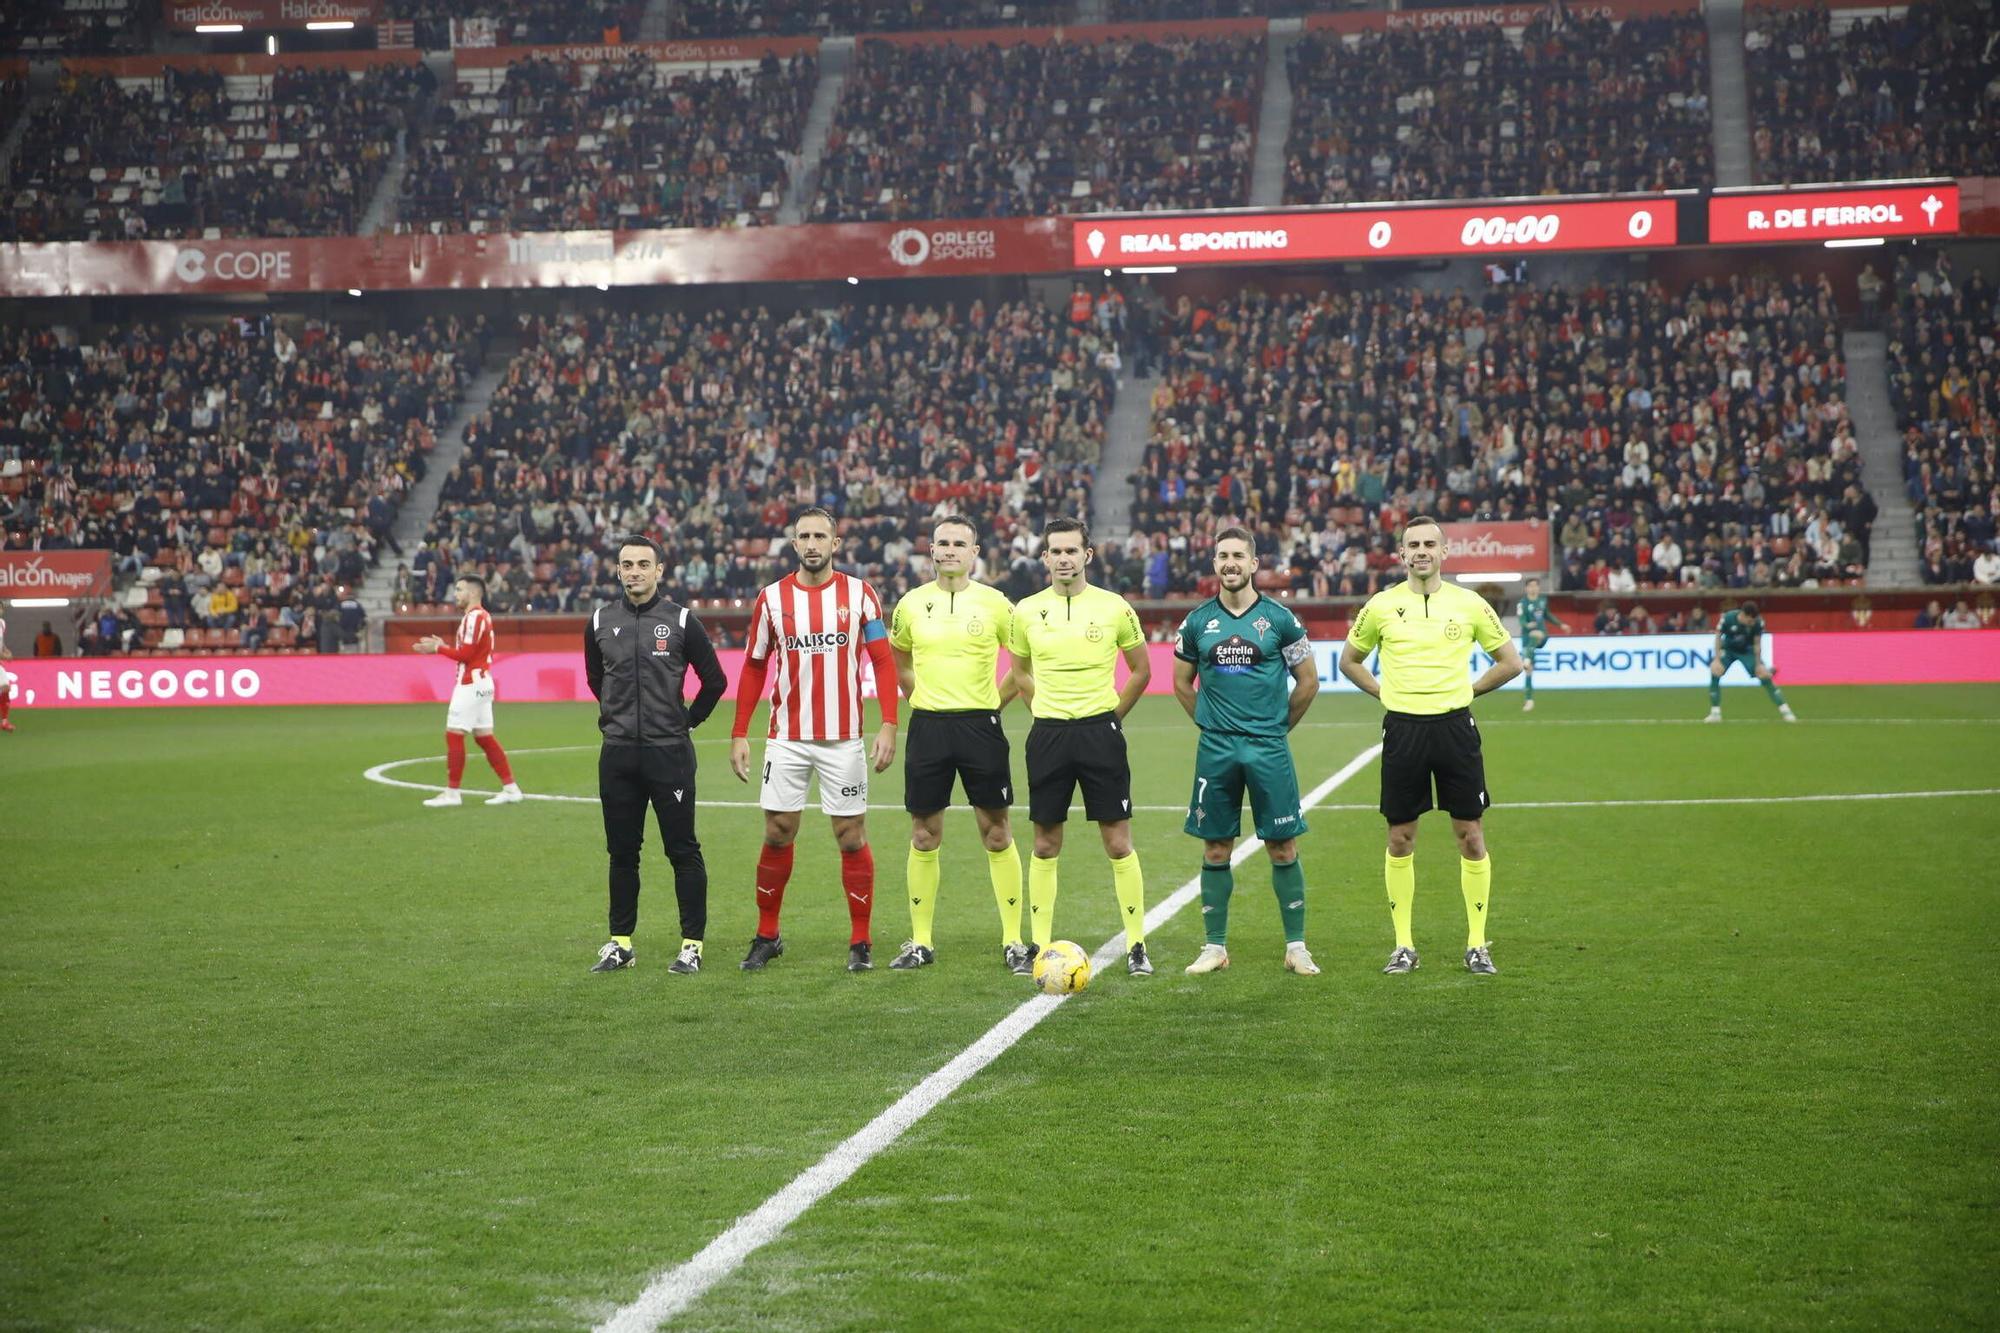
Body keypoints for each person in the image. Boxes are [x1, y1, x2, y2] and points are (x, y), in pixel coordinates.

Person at [1339, 516, 1522, 976]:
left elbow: (1510, 662)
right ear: (1402, 554)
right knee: (1400, 838)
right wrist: (1383, 693)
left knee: (1471, 836)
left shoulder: (1471, 604)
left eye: (1429, 544)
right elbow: (1349, 661)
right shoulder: (1380, 606)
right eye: (1412, 545)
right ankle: (1403, 945)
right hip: (1403, 730)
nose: (1421, 551)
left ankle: (1477, 944)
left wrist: (1470, 692)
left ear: (1444, 553)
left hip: (1455, 728)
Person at [729, 508, 900, 973]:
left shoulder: (861, 595)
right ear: (793, 542)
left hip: (843, 738)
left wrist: (889, 722)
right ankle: (768, 934)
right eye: (803, 535)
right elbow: (754, 665)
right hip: (786, 738)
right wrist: (739, 731)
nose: (811, 543)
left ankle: (861, 941)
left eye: (819, 536)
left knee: (850, 836)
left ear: (835, 543)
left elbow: (883, 661)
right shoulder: (771, 599)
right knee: (777, 831)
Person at [1005, 517, 1155, 977]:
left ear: (1087, 555)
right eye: (1056, 551)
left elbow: (1142, 670)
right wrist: (1041, 709)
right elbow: (1019, 671)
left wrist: (1112, 718)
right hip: (1048, 735)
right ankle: (1040, 946)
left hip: (1099, 734)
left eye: (1073, 550)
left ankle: (1136, 946)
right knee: (1046, 843)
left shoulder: (1114, 608)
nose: (1064, 558)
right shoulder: (1026, 611)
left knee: (1117, 842)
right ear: (1045, 557)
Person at [1172, 526, 1322, 977]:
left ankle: (1296, 946)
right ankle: (1214, 946)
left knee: (1281, 844)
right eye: (1223, 556)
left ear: (1254, 563)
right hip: (1215, 748)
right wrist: (1208, 721)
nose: (1230, 563)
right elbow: (1180, 681)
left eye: (1238, 555)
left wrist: (1277, 728)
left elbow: (1309, 681)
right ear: (1214, 564)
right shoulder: (1197, 622)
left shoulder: (1281, 620)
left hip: (1267, 748)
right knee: (1216, 847)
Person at [885, 515, 1030, 973]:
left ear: (975, 552)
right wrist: (918, 698)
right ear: (931, 550)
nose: (949, 550)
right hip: (928, 727)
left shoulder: (996, 604)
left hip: (980, 728)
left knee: (997, 831)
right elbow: (899, 659)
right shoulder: (910, 605)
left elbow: (1022, 662)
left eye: (958, 544)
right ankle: (921, 941)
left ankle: (1013, 940)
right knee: (925, 834)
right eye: (942, 543)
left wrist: (994, 704)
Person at [584, 536, 729, 975]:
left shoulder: (682, 621)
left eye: (643, 564)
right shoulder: (599, 621)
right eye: (627, 564)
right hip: (618, 755)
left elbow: (715, 681)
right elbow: (597, 679)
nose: (634, 572)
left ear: (660, 570)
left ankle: (692, 945)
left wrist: (687, 720)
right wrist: (617, 715)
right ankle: (620, 943)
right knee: (622, 852)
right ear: (618, 570)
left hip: (670, 755)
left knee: (682, 850)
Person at [413, 575, 525, 808]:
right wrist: (442, 647)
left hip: (470, 684)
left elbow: (465, 655)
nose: (455, 594)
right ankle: (511, 788)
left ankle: (452, 793)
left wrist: (439, 648)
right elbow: (469, 652)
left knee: (454, 734)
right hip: (482, 682)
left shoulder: (474, 617)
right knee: (484, 738)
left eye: (459, 589)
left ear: (473, 593)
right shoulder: (479, 617)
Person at [1705, 599, 1796, 722]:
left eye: (1753, 620)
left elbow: (1757, 644)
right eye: (1750, 620)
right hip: (1729, 649)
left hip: (1747, 651)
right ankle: (1715, 713)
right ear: (1743, 615)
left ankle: (1786, 711)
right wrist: (1716, 660)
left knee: (1763, 674)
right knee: (1715, 671)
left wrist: (1759, 664)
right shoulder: (1727, 618)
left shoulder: (1758, 622)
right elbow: (1717, 637)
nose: (1752, 622)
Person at [1515, 577, 1566, 712]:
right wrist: (1527, 624)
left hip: (1541, 636)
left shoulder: (1542, 600)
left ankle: (1525, 659)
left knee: (1537, 634)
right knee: (1529, 671)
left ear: (1538, 587)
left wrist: (1561, 624)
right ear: (1526, 588)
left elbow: (1547, 615)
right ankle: (1529, 700)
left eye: (1535, 586)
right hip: (1527, 639)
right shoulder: (1522, 604)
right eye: (1530, 586)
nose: (1533, 588)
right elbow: (1521, 620)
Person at [0, 611, 16, 732]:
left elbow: (1, 643)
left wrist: (6, 650)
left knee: (5, 687)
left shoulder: (2, 623)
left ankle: (4, 722)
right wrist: (4, 656)